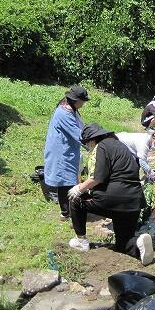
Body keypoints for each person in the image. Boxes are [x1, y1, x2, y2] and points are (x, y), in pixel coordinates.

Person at [67, 123, 154, 265]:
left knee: (75, 200)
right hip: (134, 201)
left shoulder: (102, 146)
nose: (88, 146)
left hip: (115, 197)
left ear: (92, 139)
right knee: (122, 243)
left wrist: (79, 188)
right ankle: (138, 244)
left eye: (87, 143)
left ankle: (81, 241)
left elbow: (97, 177)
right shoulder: (120, 146)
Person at [44, 85, 89, 221]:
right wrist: (94, 147)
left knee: (69, 180)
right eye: (83, 101)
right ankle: (66, 213)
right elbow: (78, 134)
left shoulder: (70, 109)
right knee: (65, 182)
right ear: (76, 100)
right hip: (61, 152)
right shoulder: (64, 113)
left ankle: (69, 211)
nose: (84, 103)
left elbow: (82, 128)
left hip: (67, 150)